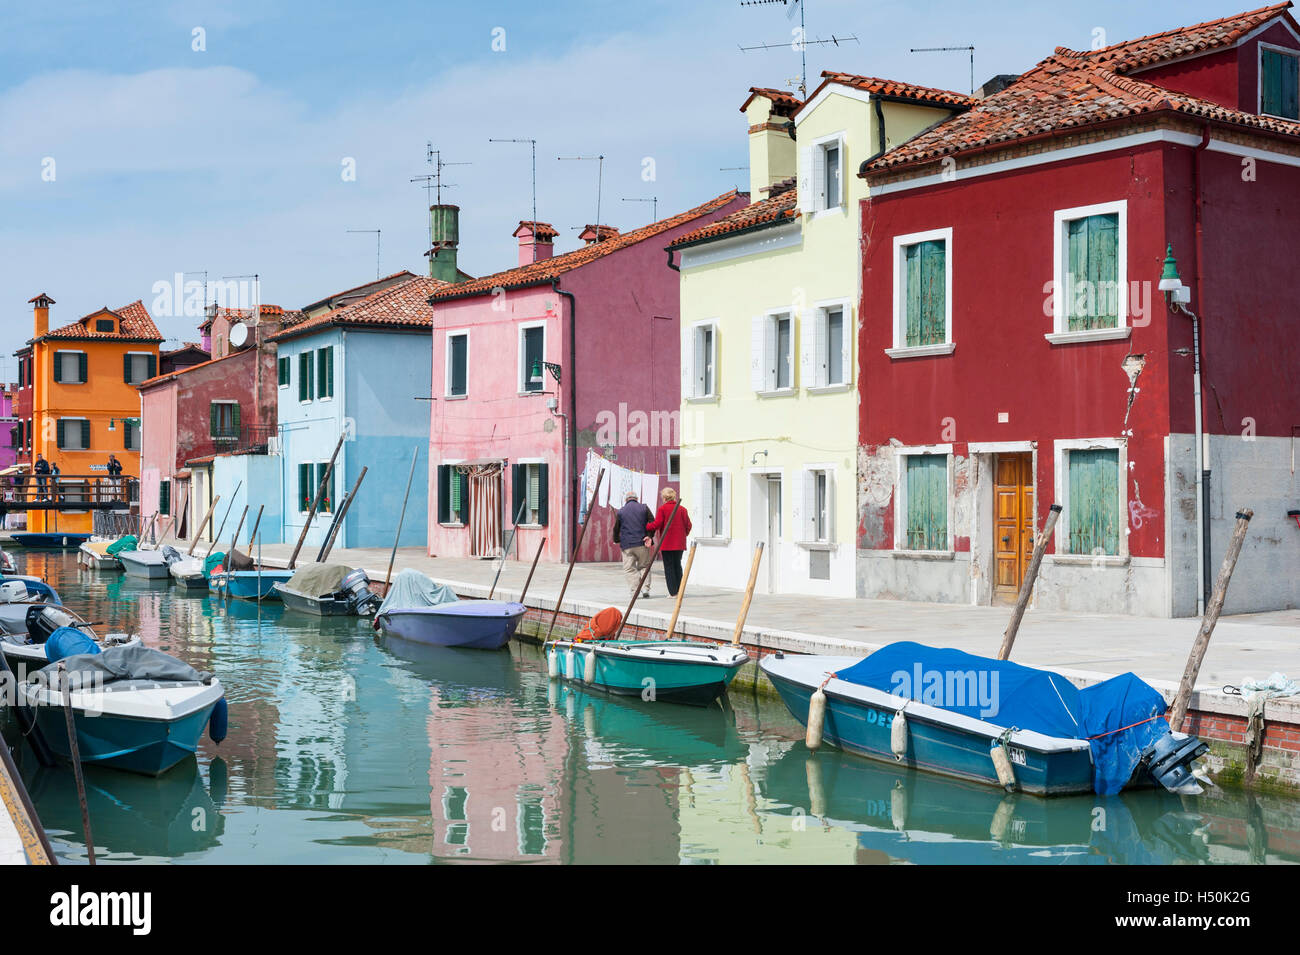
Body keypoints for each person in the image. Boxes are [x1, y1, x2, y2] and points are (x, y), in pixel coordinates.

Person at [647, 487, 692, 597]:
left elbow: (657, 524)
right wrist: (683, 534)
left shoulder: (662, 509)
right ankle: (680, 591)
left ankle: (673, 592)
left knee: (669, 567)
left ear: (664, 497)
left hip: (667, 543)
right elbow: (689, 525)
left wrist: (646, 526)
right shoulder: (682, 509)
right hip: (679, 543)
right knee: (677, 566)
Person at [612, 489, 655, 598]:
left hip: (627, 545)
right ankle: (645, 588)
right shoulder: (644, 507)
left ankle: (635, 590)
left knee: (629, 568)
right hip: (642, 542)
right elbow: (652, 522)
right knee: (644, 566)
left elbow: (616, 528)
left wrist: (617, 540)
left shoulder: (621, 511)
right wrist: (649, 536)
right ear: (637, 499)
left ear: (626, 500)